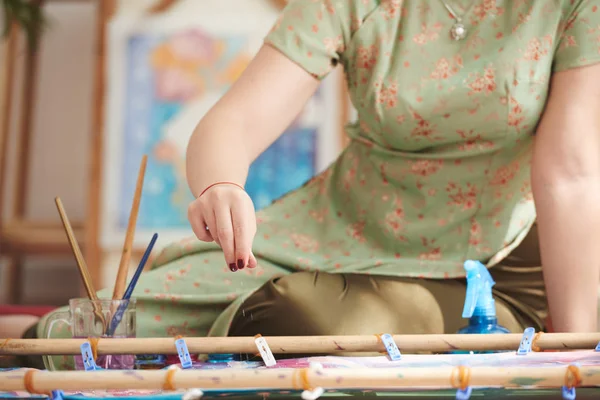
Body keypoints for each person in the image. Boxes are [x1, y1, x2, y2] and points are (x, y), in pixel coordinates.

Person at [5, 0, 600, 369]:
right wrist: (221, 186)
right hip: (330, 229)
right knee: (83, 335)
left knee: (298, 317)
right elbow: (232, 121)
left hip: (480, 264)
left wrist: (575, 348)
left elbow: (570, 173)